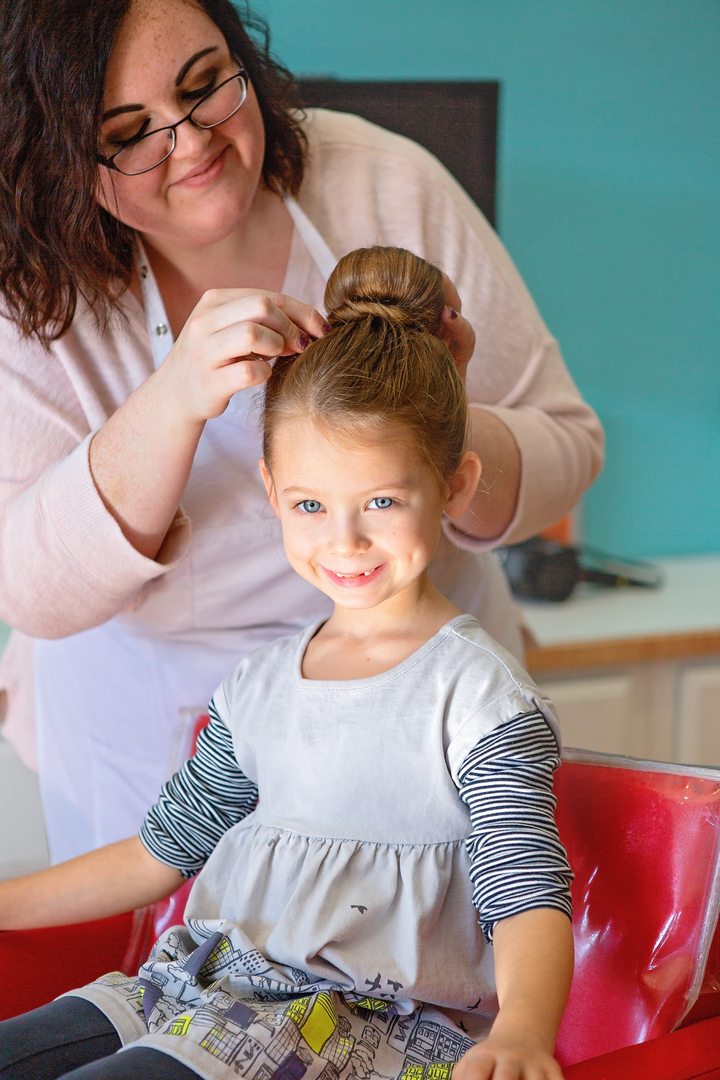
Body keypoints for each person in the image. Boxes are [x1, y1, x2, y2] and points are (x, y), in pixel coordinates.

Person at [0, 0, 604, 864]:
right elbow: (26, 584)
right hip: (154, 743)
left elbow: (568, 441)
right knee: (183, 974)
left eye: (208, 86)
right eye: (131, 134)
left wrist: (436, 414)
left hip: (422, 710)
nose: (194, 142)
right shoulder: (25, 285)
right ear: (63, 160)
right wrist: (168, 403)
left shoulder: (385, 183)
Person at [0, 247, 574, 1080]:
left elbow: (527, 895)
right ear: (273, 493)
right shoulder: (258, 688)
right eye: (310, 505)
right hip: (196, 991)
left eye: (381, 501)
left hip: (354, 1027)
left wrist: (522, 1032)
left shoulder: (477, 700)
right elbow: (159, 853)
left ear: (454, 485)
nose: (343, 541)